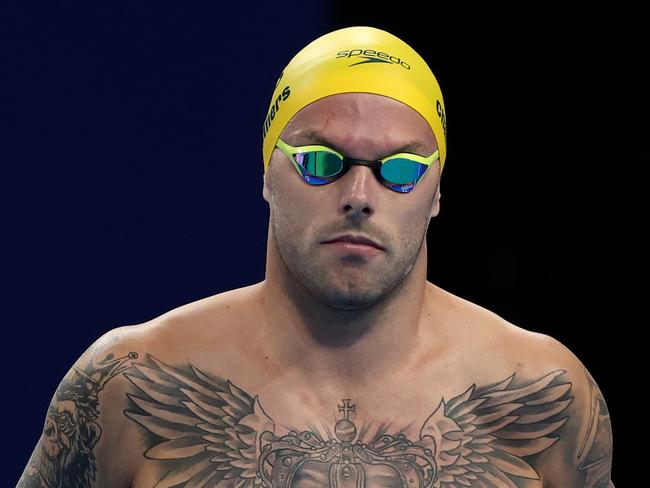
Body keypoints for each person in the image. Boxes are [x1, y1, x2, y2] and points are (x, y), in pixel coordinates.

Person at [17, 26, 614, 488]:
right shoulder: (130, 383)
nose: (358, 197)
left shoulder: (546, 394)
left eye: (400, 170)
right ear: (266, 173)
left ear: (438, 193)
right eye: (320, 162)